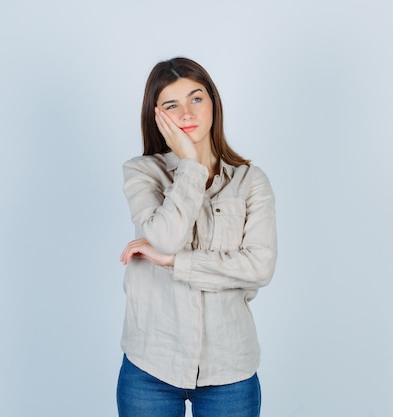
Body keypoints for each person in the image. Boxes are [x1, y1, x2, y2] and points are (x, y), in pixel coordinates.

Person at [116, 57, 277, 417]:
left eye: (196, 98)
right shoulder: (142, 173)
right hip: (150, 367)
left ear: (213, 103)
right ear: (157, 115)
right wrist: (190, 164)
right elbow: (165, 239)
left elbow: (260, 267)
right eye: (172, 105)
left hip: (230, 369)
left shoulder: (251, 181)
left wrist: (176, 263)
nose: (187, 113)